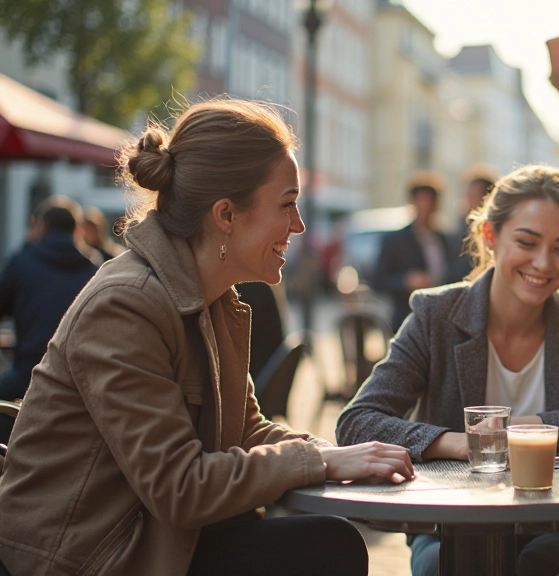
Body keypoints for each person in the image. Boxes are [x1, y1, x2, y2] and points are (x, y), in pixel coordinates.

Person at [0, 99, 414, 576]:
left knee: (328, 543)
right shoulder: (126, 304)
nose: (298, 226)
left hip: (159, 539)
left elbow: (247, 430)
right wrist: (318, 462)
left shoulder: (213, 300)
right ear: (226, 215)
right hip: (92, 560)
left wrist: (331, 454)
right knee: (327, 548)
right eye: (286, 204)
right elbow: (179, 488)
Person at [337, 165, 559, 576]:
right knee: (447, 568)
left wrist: (524, 429)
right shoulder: (436, 315)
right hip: (450, 521)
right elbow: (357, 423)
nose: (544, 263)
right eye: (527, 242)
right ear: (491, 235)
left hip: (558, 521)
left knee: (546, 564)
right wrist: (463, 443)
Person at [0, 196, 98, 401]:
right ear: (77, 230)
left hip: (27, 375)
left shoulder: (22, 263)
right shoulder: (94, 270)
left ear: (41, 227)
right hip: (80, 382)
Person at [372, 171, 452, 330]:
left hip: (441, 319)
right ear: (412, 204)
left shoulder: (445, 240)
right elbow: (378, 280)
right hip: (407, 320)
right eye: (421, 202)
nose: (425, 208)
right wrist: (405, 281)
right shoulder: (395, 240)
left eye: (429, 203)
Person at [449, 164, 498, 282]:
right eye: (468, 195)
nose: (468, 200)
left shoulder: (497, 231)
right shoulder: (461, 228)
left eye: (473, 195)